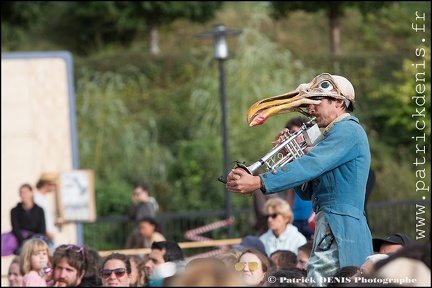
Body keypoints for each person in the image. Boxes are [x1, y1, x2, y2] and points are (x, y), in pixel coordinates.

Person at [226, 73, 373, 286]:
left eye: (316, 102)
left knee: (319, 280)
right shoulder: (335, 134)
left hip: (340, 225)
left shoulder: (348, 129)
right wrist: (289, 156)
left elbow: (311, 165)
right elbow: (307, 192)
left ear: (340, 102)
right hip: (332, 223)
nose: (310, 110)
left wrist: (259, 181)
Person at [285, 117, 314, 240]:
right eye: (291, 134)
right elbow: (291, 192)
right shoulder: (293, 161)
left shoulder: (315, 157)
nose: (293, 138)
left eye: (296, 133)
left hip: (313, 217)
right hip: (297, 218)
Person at [10, 183, 47, 255]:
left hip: (37, 242)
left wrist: (37, 243)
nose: (23, 195)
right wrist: (24, 243)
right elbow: (16, 229)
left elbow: (42, 229)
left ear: (31, 193)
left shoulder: (39, 210)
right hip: (21, 243)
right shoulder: (14, 211)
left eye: (25, 192)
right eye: (21, 193)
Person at [34, 173, 58, 251]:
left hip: (48, 237)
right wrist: (47, 232)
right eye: (54, 185)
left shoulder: (42, 198)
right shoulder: (37, 198)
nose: (55, 187)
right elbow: (38, 219)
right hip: (44, 238)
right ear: (47, 184)